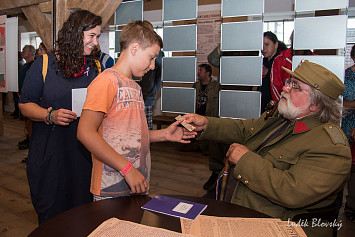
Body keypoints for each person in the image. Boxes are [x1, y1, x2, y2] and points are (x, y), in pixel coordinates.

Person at [184, 60, 351, 236]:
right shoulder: (284, 117)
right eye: (289, 82)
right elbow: (247, 130)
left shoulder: (332, 147)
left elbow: (292, 192)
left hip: (268, 220)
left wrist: (245, 160)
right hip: (231, 198)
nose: (285, 88)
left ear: (316, 104)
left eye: (296, 86)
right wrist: (207, 124)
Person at [77, 20, 195, 200]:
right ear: (134, 49)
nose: (153, 66)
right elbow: (85, 133)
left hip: (136, 182)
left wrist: (164, 135)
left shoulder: (135, 87)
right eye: (151, 57)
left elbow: (132, 135)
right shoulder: (106, 82)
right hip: (111, 186)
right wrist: (127, 168)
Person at [19, 9, 102, 224]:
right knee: (51, 212)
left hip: (83, 155)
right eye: (91, 35)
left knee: (82, 212)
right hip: (50, 152)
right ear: (75, 33)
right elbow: (25, 105)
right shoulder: (44, 64)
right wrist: (50, 115)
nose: (95, 42)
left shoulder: (95, 67)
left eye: (98, 36)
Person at [192, 63, 224, 190]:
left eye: (201, 70)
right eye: (198, 69)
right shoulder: (195, 86)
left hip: (210, 121)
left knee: (214, 148)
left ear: (208, 73)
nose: (198, 72)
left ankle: (216, 174)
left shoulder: (216, 87)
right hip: (197, 120)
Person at [342, 44, 355, 222]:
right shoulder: (347, 76)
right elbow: (341, 103)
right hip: (346, 125)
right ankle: (350, 206)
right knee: (349, 168)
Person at [137, 50, 164, 130]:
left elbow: (159, 78)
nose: (151, 66)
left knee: (146, 129)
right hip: (133, 96)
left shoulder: (158, 54)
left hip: (147, 97)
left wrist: (152, 93)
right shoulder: (135, 50)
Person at [261, 31, 282, 113]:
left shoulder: (281, 60)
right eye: (261, 45)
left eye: (267, 44)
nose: (264, 48)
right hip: (263, 104)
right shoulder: (262, 61)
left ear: (276, 45)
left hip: (276, 106)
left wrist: (268, 72)